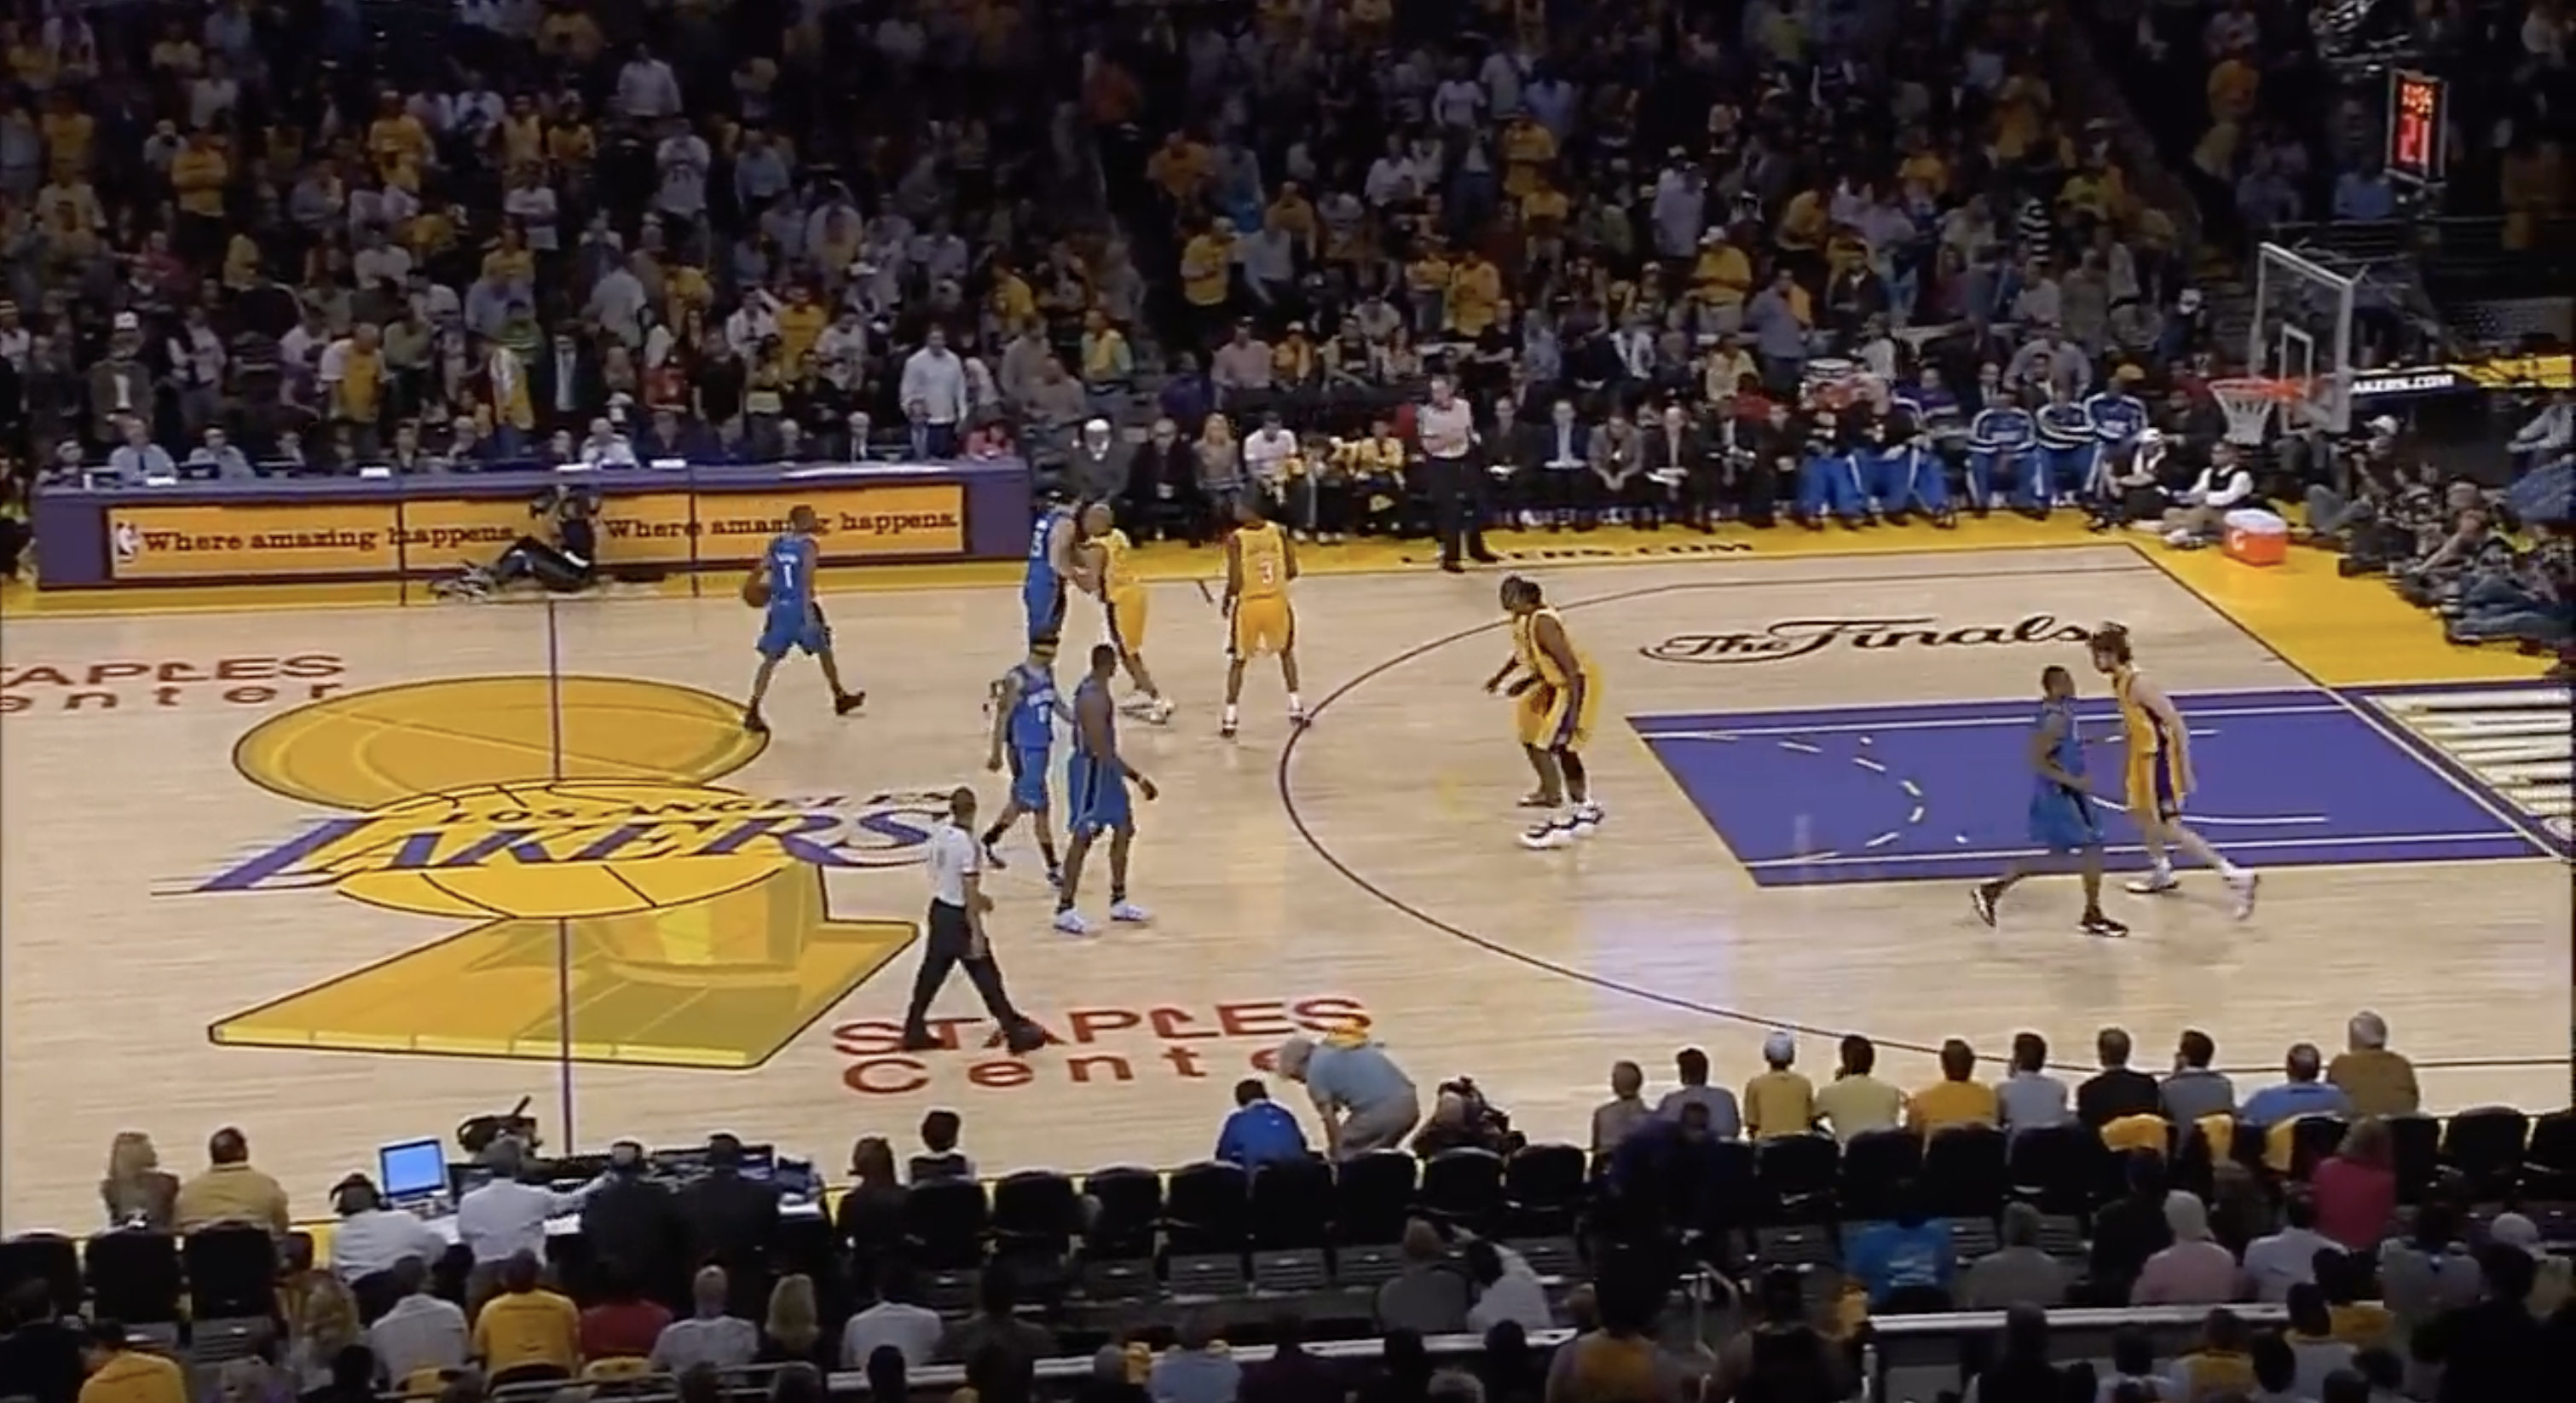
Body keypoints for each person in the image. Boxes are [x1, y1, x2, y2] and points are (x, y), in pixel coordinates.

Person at [2092, 623, 2258, 915]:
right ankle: (2162, 870)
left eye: (2098, 655)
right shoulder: (2119, 681)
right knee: (2141, 814)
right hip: (2141, 758)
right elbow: (2140, 718)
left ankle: (2233, 875)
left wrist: (2185, 767)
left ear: (2112, 654)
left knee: (2170, 826)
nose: (2095, 662)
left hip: (2158, 763)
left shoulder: (2140, 683)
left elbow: (2176, 724)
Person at [1972, 664, 2128, 936]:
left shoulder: (2059, 714)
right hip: (2060, 795)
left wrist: (2106, 736)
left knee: (2073, 852)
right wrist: (2073, 781)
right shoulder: (2055, 720)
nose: (2073, 685)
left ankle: (2090, 912)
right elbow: (2037, 760)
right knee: (2086, 848)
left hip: (2068, 793)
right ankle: (1994, 889)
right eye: (2067, 681)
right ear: (2056, 686)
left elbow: (2067, 745)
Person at [899, 787, 1046, 1055]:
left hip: (940, 909)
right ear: (974, 810)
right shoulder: (968, 845)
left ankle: (913, 1028)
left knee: (931, 974)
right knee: (986, 975)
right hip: (959, 918)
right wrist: (976, 931)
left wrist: (979, 898)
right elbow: (967, 889)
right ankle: (1014, 1034)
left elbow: (941, 874)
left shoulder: (941, 834)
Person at [1487, 576, 1604, 849]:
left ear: (1527, 599)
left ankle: (1559, 822)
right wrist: (1518, 680)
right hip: (1554, 683)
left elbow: (1572, 671)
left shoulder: (1544, 624)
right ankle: (1583, 808)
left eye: (1510, 596)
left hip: (1573, 685)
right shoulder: (1525, 619)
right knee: (1549, 743)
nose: (1504, 601)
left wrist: (1572, 715)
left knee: (1548, 746)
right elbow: (1535, 658)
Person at [1055, 644, 1158, 935]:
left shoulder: (1098, 690)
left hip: (1105, 772)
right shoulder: (1092, 697)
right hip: (1091, 770)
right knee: (1083, 837)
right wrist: (1137, 777)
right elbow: (1101, 748)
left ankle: (1118, 899)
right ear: (1109, 665)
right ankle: (1064, 908)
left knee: (1124, 828)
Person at [740, 505, 863, 734]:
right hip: (800, 607)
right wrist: (808, 615)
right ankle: (839, 696)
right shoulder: (808, 546)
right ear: (804, 520)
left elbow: (761, 567)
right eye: (812, 517)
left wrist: (751, 587)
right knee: (823, 649)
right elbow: (806, 582)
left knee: (770, 660)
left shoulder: (777, 542)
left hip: (779, 607)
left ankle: (753, 708)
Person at [983, 637, 1069, 886]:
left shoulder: (1047, 673)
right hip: (1025, 749)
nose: (1053, 658)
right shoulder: (1017, 679)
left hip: (1042, 747)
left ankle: (988, 841)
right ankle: (1052, 867)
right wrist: (996, 753)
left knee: (1020, 802)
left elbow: (1056, 703)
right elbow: (1002, 717)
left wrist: (1078, 719)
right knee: (1041, 808)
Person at [1219, 496, 1305, 739]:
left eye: (1240, 505)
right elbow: (1292, 570)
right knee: (1286, 654)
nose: (1236, 509)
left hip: (1250, 605)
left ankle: (1230, 718)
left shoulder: (1236, 539)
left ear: (1252, 509)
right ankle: (1296, 706)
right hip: (1277, 602)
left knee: (1238, 661)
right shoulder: (1279, 532)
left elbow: (1236, 581)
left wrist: (1226, 598)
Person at [1084, 501, 1172, 723]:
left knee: (1127, 652)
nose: (1085, 523)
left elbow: (1091, 581)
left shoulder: (1097, 546)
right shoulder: (1119, 536)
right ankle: (1140, 689)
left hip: (1120, 600)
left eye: (1089, 519)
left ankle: (1157, 699)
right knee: (1129, 648)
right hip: (1135, 594)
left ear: (1099, 523)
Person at [1022, 494, 1095, 645]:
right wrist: (1081, 581)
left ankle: (1040, 659)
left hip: (1036, 578)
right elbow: (1057, 562)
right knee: (1043, 637)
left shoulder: (1050, 517)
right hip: (1048, 583)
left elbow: (1065, 551)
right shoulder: (1066, 523)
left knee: (1044, 636)